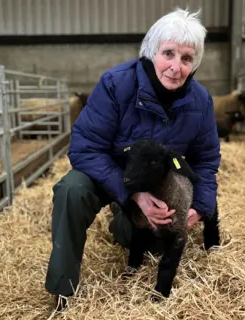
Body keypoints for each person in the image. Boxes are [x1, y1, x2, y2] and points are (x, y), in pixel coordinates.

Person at [45, 7, 221, 312]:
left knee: (145, 243)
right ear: (152, 51)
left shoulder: (200, 100)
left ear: (195, 64)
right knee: (71, 189)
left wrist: (200, 208)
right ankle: (63, 291)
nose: (176, 67)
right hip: (111, 172)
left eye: (186, 58)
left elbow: (205, 161)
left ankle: (123, 223)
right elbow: (85, 148)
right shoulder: (116, 84)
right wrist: (132, 194)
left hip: (159, 182)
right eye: (168, 53)